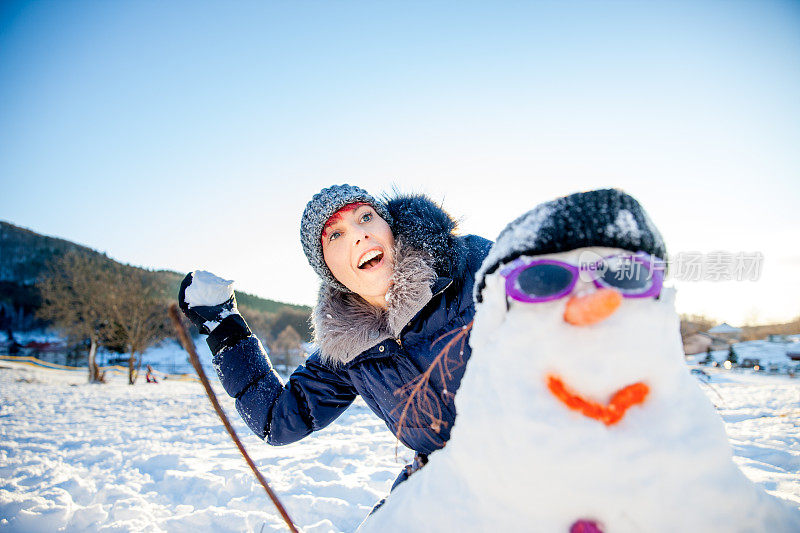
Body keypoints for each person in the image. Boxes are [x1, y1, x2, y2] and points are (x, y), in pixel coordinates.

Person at [178, 184, 492, 499]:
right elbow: (278, 419)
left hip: (531, 450)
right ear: (328, 270)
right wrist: (224, 327)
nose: (359, 235)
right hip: (447, 480)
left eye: (366, 217)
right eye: (335, 235)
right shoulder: (348, 349)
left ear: (389, 227)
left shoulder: (473, 265)